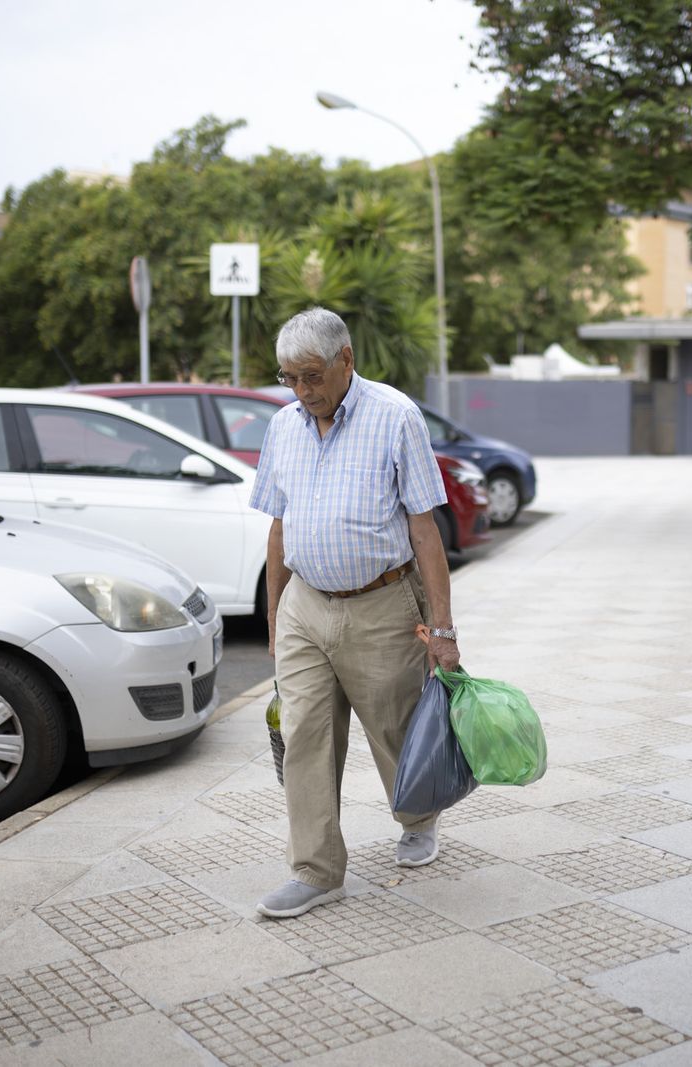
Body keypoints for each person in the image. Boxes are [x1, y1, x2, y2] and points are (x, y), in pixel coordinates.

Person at [248, 307, 461, 919]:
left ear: (346, 360)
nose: (303, 391)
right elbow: (278, 528)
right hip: (305, 607)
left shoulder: (395, 417)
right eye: (290, 378)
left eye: (312, 375)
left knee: (395, 728)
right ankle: (316, 869)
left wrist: (441, 630)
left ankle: (418, 816)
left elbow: (425, 530)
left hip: (382, 604)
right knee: (304, 733)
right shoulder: (284, 425)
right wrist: (273, 621)